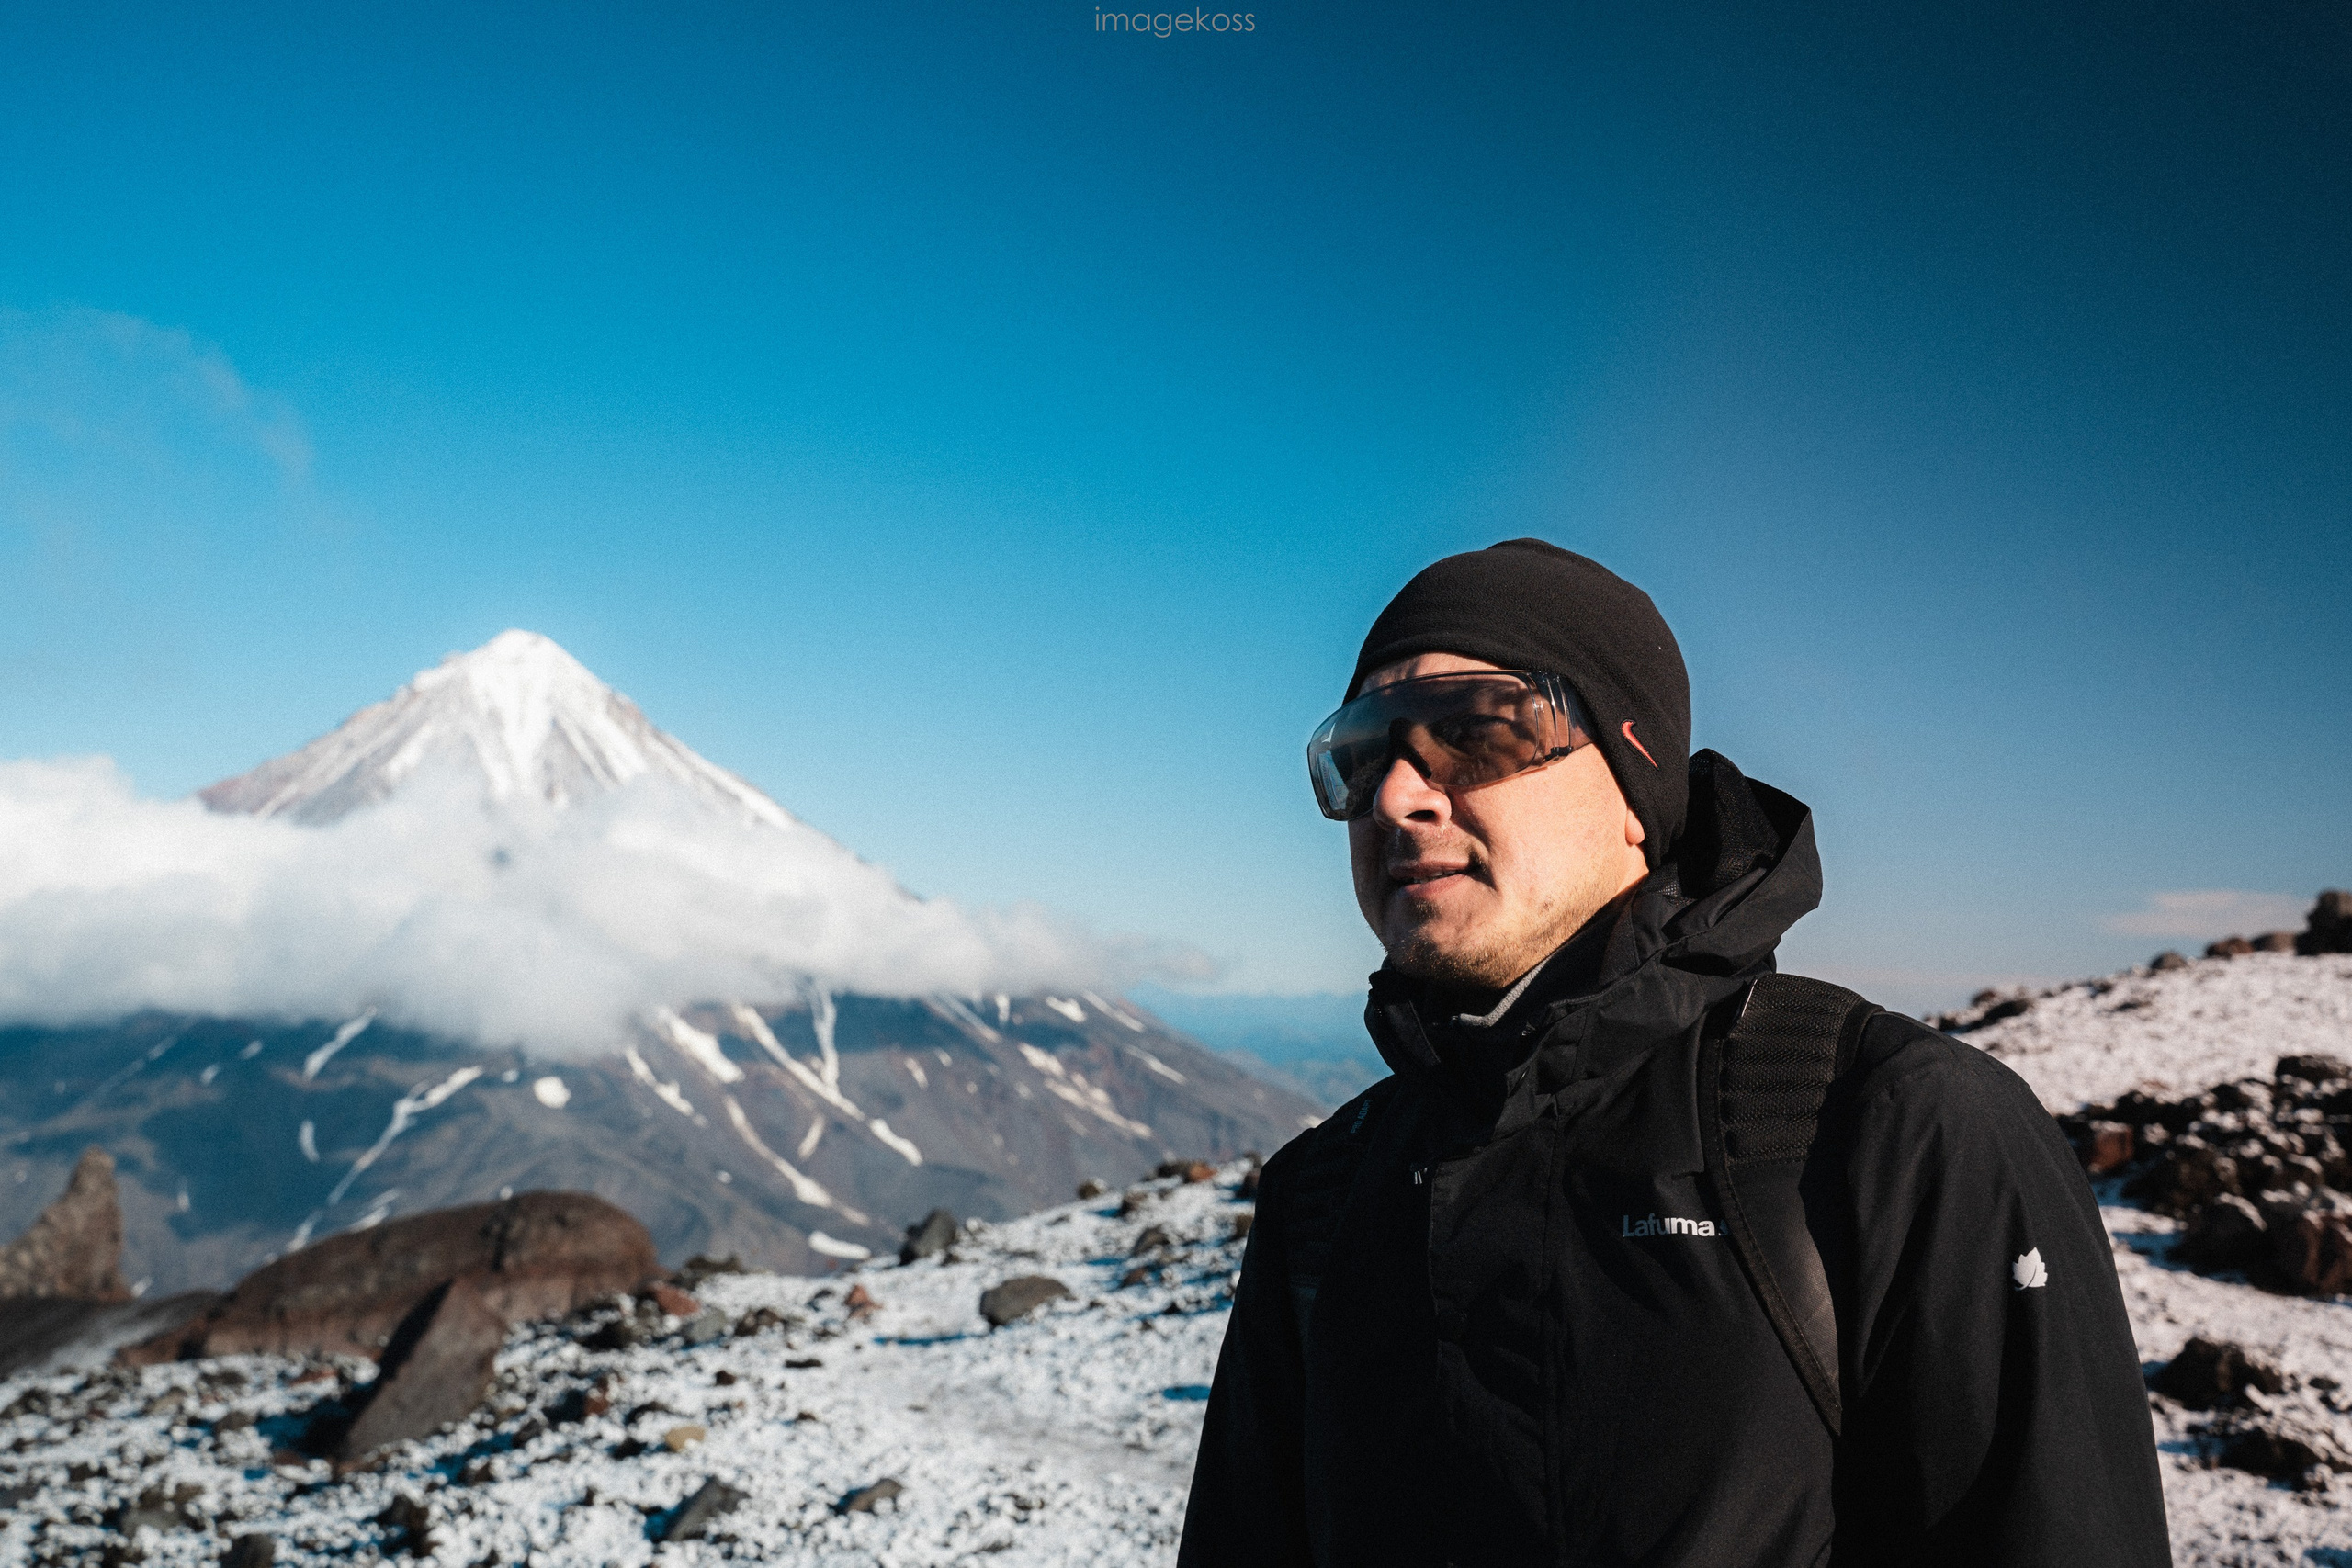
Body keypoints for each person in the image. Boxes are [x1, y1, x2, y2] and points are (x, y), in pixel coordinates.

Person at [1178, 540, 2169, 1567]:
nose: (1394, 796)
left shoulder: (1894, 1130)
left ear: (1634, 786)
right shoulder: (1321, 1197)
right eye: (1358, 755)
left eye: (1471, 731)